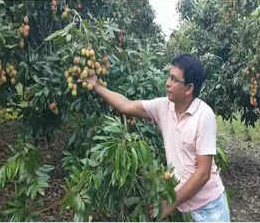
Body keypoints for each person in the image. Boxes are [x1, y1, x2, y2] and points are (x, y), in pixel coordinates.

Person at [86, 54, 230, 222]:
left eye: (174, 79)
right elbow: (125, 105)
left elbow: (203, 173)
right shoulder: (163, 107)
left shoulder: (204, 116)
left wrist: (169, 203)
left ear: (189, 88)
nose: (167, 83)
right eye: (169, 77)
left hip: (209, 209)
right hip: (183, 207)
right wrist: (96, 86)